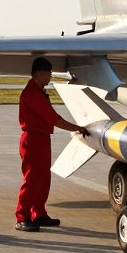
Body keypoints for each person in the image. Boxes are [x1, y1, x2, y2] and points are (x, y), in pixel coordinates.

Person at [14, 57, 83, 232]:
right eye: (49, 74)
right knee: (32, 179)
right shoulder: (32, 94)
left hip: (42, 138)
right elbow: (54, 119)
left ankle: (38, 213)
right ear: (40, 73)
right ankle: (22, 217)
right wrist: (77, 128)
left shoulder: (37, 91)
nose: (50, 77)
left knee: (43, 178)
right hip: (33, 140)